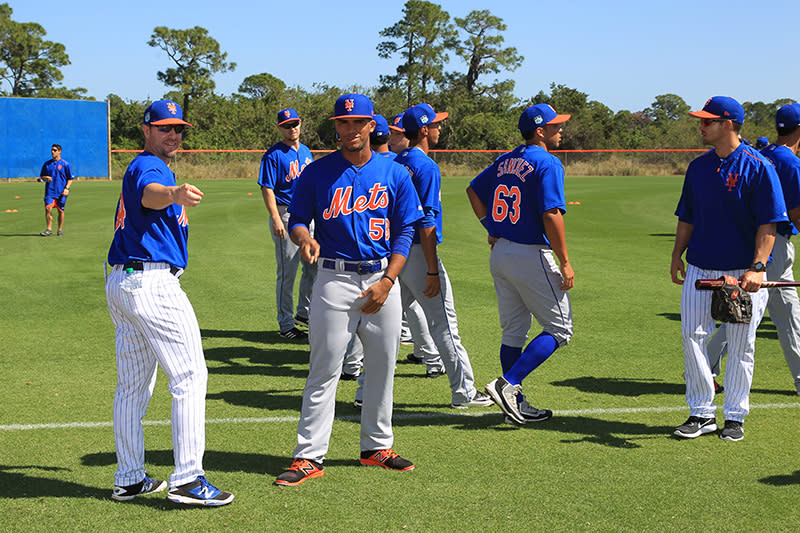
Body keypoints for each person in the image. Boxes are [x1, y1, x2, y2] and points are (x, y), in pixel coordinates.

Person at [274, 94, 423, 486]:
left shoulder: (395, 174)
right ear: (336, 127)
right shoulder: (317, 173)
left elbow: (406, 230)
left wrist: (389, 280)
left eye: (358, 122)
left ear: (372, 125)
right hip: (334, 278)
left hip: (380, 279)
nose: (351, 129)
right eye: (343, 123)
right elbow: (298, 220)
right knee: (324, 368)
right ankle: (308, 455)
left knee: (382, 366)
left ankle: (376, 446)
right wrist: (304, 236)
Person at [105, 99, 234, 506]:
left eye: (178, 129)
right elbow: (151, 194)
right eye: (164, 128)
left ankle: (129, 478)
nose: (173, 134)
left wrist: (172, 191)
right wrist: (175, 192)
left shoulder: (151, 165)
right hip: (152, 283)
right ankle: (187, 479)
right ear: (146, 130)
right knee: (190, 377)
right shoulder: (150, 167)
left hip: (125, 281)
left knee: (132, 387)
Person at [670, 96, 787, 442]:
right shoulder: (698, 168)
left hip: (741, 273)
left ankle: (735, 415)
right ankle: (702, 412)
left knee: (740, 344)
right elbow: (686, 216)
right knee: (693, 338)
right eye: (701, 121)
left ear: (729, 124)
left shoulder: (759, 167)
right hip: (701, 267)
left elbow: (768, 225)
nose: (701, 126)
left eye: (708, 121)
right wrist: (677, 254)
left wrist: (757, 266)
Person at [467, 104, 574, 425]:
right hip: (530, 253)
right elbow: (551, 213)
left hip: (501, 253)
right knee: (559, 329)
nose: (560, 130)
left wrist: (492, 226)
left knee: (514, 331)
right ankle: (507, 385)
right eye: (555, 126)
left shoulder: (505, 160)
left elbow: (473, 190)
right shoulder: (548, 162)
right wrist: (565, 261)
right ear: (540, 131)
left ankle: (516, 401)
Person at [393, 103, 493, 409]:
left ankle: (363, 392)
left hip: (393, 253)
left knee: (382, 327)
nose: (440, 129)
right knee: (444, 324)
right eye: (436, 124)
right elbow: (427, 223)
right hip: (418, 254)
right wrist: (433, 269)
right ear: (423, 130)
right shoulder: (426, 167)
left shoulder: (396, 163)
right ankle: (463, 391)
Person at [706, 103, 800, 396]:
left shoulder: (767, 153)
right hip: (773, 245)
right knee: (743, 314)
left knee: (786, 314)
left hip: (762, 245)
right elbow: (795, 212)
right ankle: (702, 366)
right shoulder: (790, 162)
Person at [258, 108, 316, 340]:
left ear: (300, 124)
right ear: (280, 128)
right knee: (288, 272)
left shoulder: (306, 151)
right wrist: (274, 217)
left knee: (313, 265)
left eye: (295, 123)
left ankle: (303, 312)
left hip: (307, 215)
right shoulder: (274, 155)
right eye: (287, 125)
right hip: (285, 214)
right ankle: (285, 324)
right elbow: (267, 187)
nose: (292, 128)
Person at [38, 144, 73, 236]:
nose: (52, 152)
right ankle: (49, 229)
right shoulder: (47, 164)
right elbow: (41, 177)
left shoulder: (65, 164)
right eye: (52, 150)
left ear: (59, 151)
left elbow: (70, 178)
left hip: (61, 192)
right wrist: (45, 178)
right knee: (48, 209)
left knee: (60, 211)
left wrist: (67, 188)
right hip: (49, 191)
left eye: (54, 150)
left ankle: (60, 229)